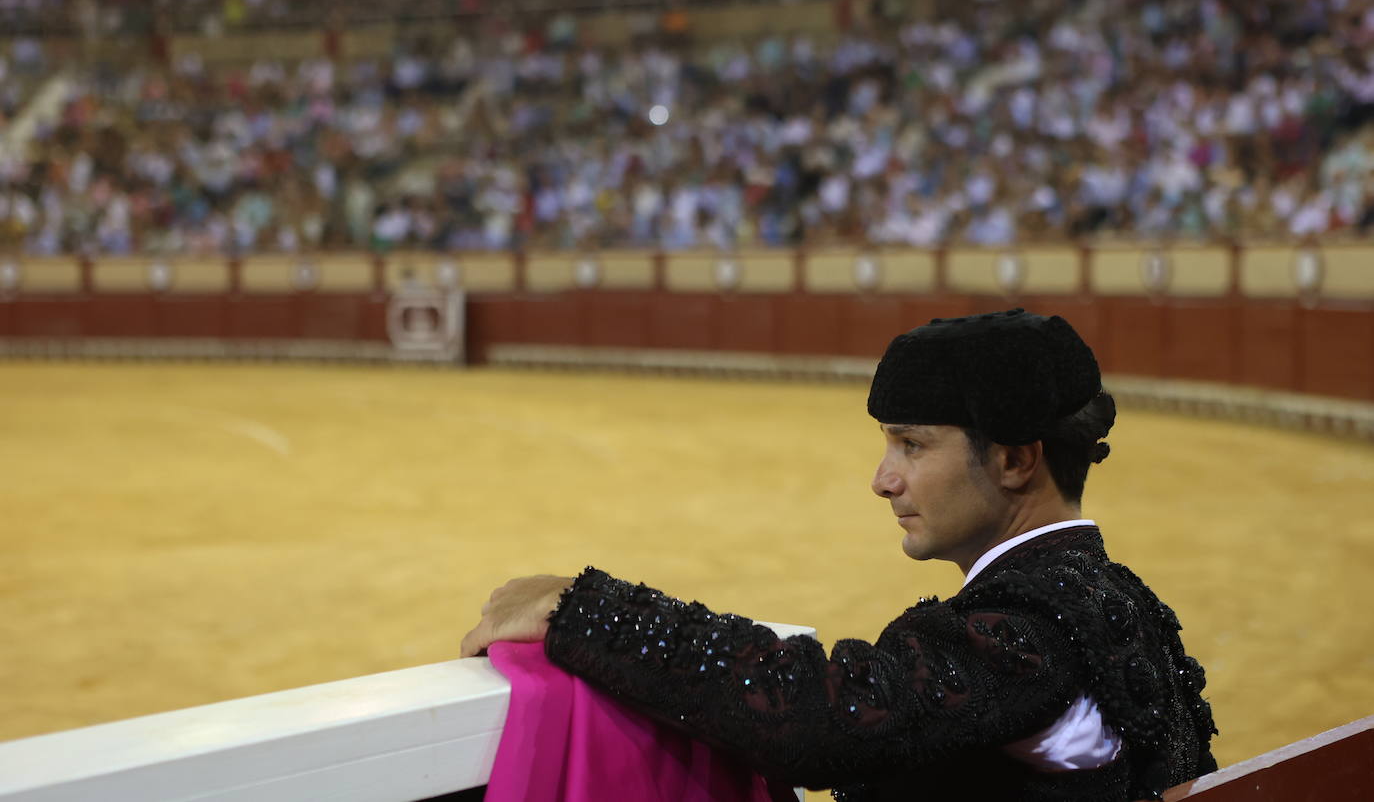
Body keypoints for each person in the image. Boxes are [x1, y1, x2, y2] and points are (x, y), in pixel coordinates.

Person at [460, 308, 1218, 800]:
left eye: (912, 445)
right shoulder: (1109, 595)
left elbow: (820, 717)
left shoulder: (1031, 634)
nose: (884, 480)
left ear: (1017, 461)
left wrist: (586, 606)